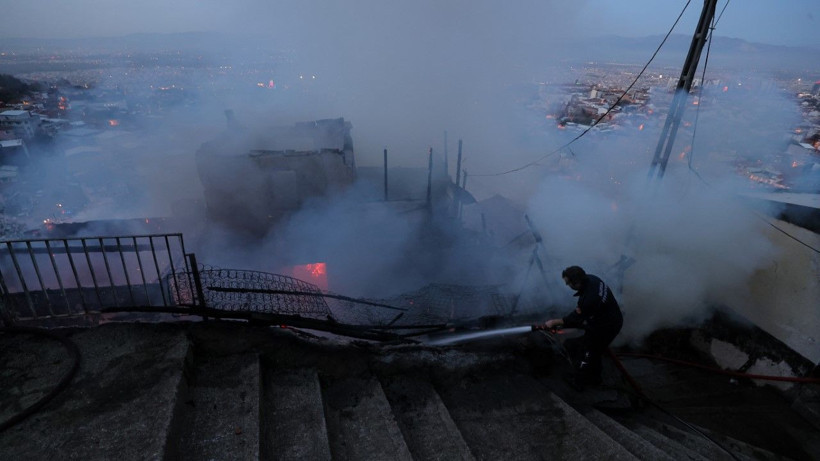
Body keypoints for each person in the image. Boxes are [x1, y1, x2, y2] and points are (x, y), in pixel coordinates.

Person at [542, 265, 623, 389]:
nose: (567, 286)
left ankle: (580, 382)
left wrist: (554, 322)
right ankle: (596, 378)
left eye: (568, 283)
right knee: (593, 350)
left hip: (606, 327)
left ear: (578, 282)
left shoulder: (590, 299)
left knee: (587, 352)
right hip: (608, 319)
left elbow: (575, 319)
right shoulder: (592, 279)